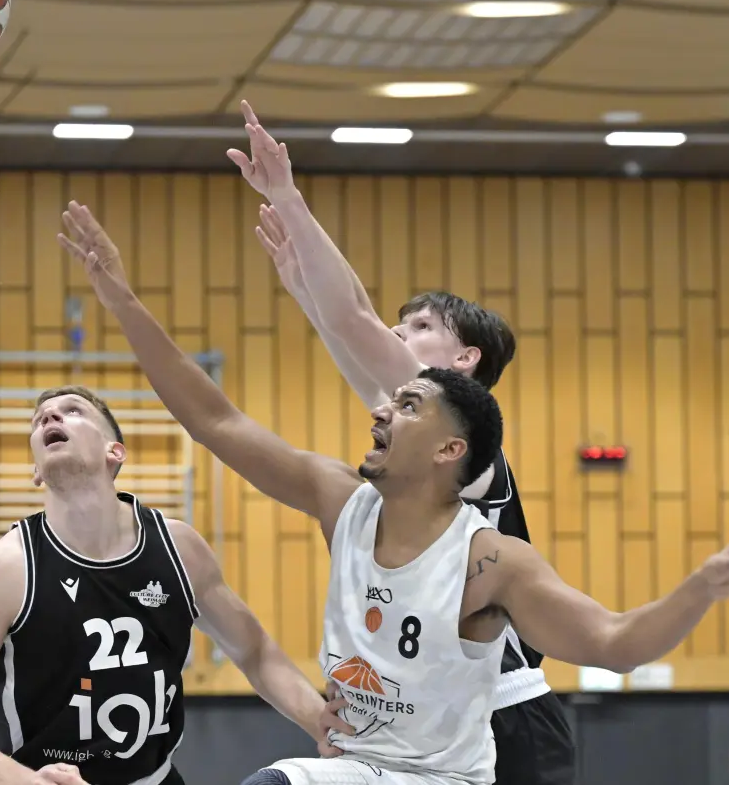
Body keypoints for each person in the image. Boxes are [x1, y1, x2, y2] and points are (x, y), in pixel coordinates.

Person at [58, 201, 729, 785]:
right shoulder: (339, 497)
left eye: (407, 405)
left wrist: (703, 588)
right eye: (392, 401)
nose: (382, 408)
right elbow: (214, 417)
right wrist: (119, 297)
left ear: (452, 449)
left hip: (457, 766)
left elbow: (614, 643)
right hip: (361, 763)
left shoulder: (491, 559)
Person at [230, 101, 573, 784]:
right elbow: (351, 326)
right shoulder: (420, 431)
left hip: (503, 720)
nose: (398, 335)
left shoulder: (465, 443)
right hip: (434, 721)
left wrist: (289, 198)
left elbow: (354, 319)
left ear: (465, 359)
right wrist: (305, 290)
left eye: (416, 326)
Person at [0, 384, 340, 785]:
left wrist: (316, 719)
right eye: (39, 420)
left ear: (114, 451)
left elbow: (254, 650)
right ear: (36, 470)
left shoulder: (179, 548)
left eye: (73, 411)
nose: (50, 416)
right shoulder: (5, 568)